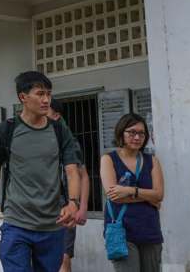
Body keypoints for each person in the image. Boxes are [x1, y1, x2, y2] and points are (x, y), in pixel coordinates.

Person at [0, 71, 82, 272]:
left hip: (52, 227)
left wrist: (73, 202)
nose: (46, 100)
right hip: (17, 225)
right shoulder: (5, 131)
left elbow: (72, 171)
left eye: (49, 94)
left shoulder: (60, 131)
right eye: (40, 94)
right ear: (23, 97)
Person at [100, 113, 164, 272]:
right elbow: (114, 196)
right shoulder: (108, 159)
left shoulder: (152, 161)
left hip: (150, 230)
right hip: (122, 232)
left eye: (141, 133)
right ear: (121, 133)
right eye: (132, 132)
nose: (137, 137)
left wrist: (129, 190)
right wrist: (149, 198)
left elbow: (160, 195)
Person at [48, 99, 91, 272]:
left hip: (66, 207)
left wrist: (82, 208)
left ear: (56, 116)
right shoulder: (33, 140)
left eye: (46, 110)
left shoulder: (69, 142)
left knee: (63, 258)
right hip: (40, 208)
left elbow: (84, 177)